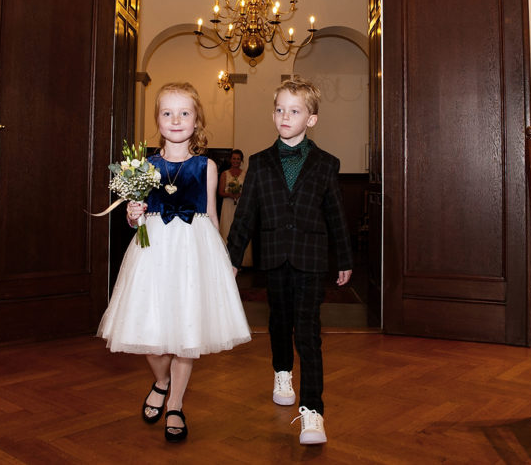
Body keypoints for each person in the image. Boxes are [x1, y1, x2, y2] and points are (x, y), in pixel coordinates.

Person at [97, 82, 251, 443]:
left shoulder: (207, 166)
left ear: (196, 120)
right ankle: (161, 380)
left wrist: (223, 261)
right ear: (158, 120)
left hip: (193, 253)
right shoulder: (144, 166)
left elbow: (212, 216)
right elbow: (134, 220)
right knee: (153, 338)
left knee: (186, 331)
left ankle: (176, 403)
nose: (176, 119)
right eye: (167, 113)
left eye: (184, 113)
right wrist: (134, 214)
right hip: (153, 255)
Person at [225, 76, 353, 445]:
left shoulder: (327, 164)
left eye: (294, 111)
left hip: (311, 258)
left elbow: (336, 215)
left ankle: (313, 412)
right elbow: (245, 215)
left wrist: (343, 258)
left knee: (309, 333)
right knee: (279, 323)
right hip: (274, 258)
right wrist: (232, 259)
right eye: (280, 109)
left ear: (311, 119)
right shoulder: (260, 163)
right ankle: (282, 372)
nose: (285, 116)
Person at [217, 149, 252, 267]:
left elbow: (248, 191)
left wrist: (240, 194)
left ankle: (241, 261)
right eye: (234, 158)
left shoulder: (245, 174)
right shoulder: (224, 174)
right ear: (230, 160)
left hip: (241, 205)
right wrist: (231, 194)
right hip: (227, 205)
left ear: (241, 161)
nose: (236, 161)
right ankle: (226, 261)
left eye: (238, 159)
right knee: (227, 228)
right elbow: (220, 192)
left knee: (240, 229)